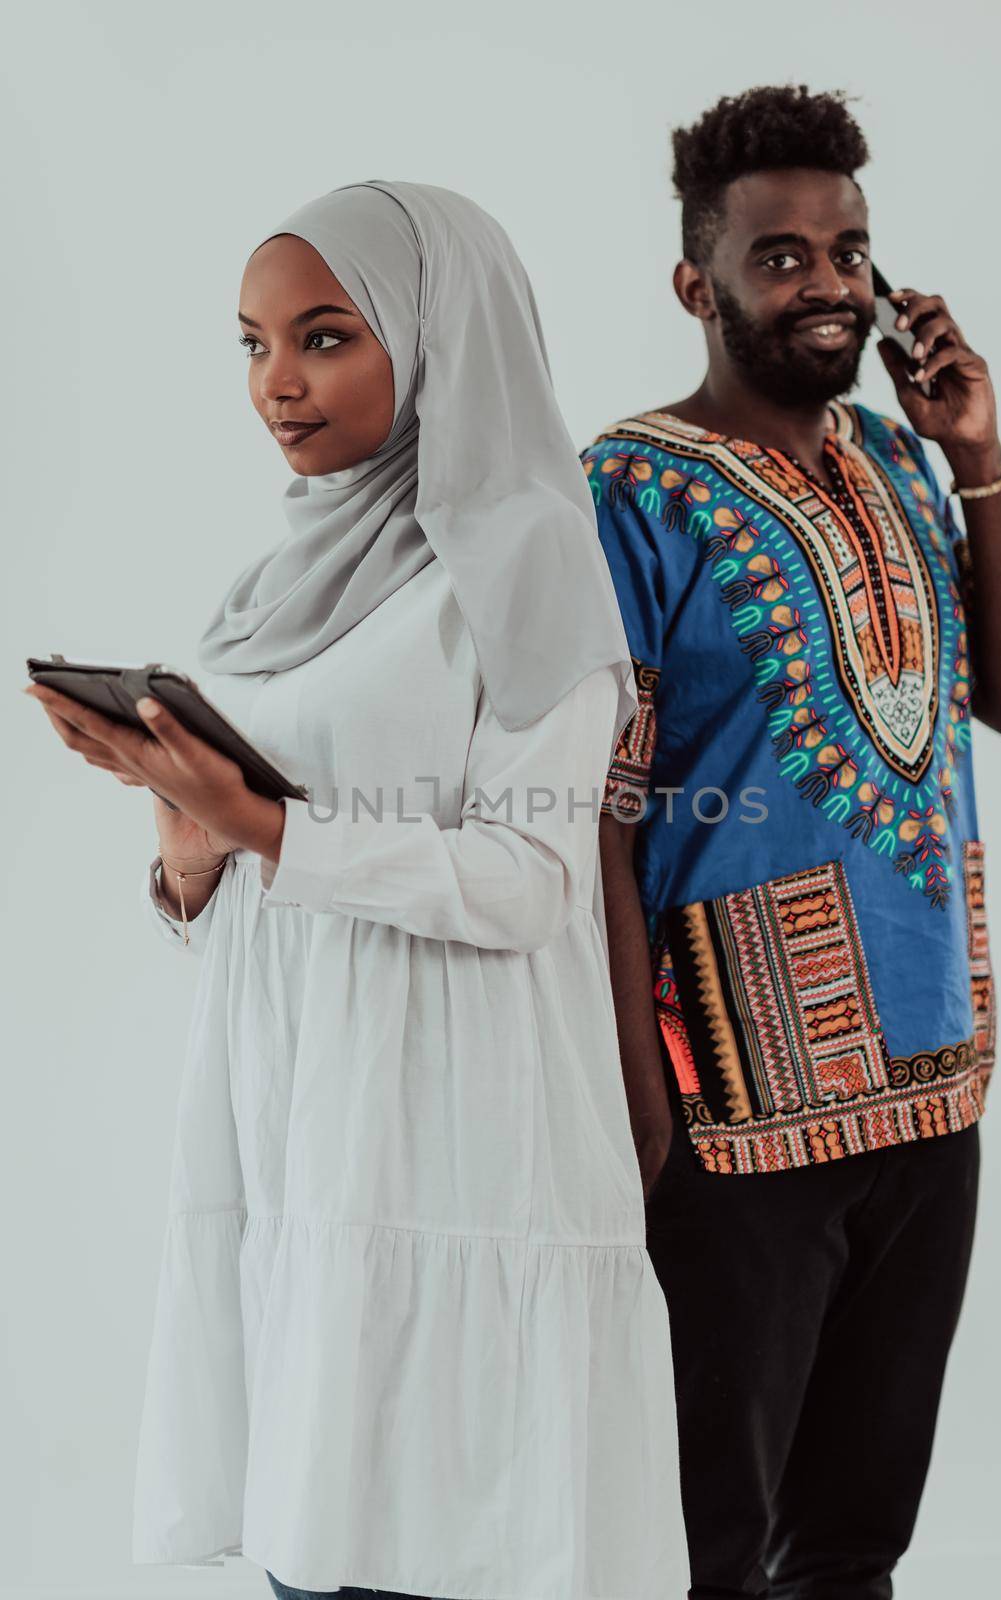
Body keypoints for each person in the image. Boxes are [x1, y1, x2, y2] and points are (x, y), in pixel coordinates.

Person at [23, 181, 690, 1600]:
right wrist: (182, 827)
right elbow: (236, 887)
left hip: (461, 1146)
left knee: (443, 1544)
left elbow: (526, 882)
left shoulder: (531, 564)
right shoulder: (279, 578)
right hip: (300, 1135)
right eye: (253, 343)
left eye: (326, 337)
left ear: (441, 333)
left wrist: (265, 823)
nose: (278, 383)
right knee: (311, 1541)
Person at [585, 86, 1001, 1600]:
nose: (829, 285)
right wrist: (633, 1091)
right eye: (781, 257)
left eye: (849, 252)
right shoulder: (628, 492)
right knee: (709, 1542)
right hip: (730, 1097)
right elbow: (591, 810)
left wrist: (977, 451)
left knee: (856, 1544)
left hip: (935, 1071)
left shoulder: (906, 463)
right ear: (696, 284)